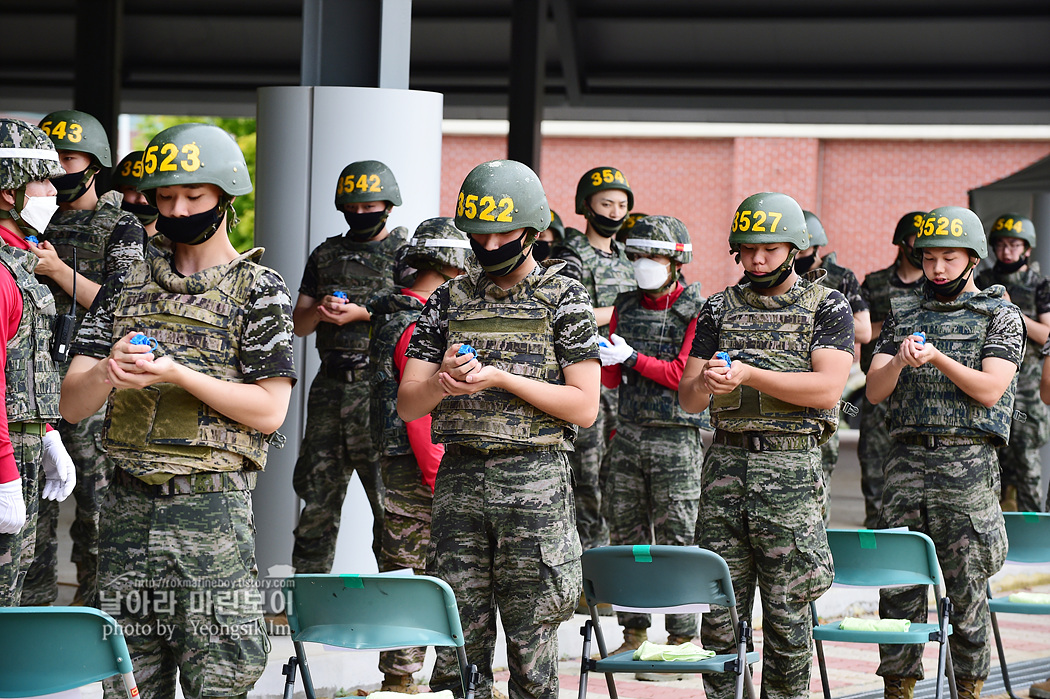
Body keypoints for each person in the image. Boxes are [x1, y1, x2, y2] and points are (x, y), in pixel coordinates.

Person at [60, 122, 296, 699]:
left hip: (210, 514)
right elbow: (71, 402)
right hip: (126, 512)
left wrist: (177, 373)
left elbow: (270, 411)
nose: (178, 207)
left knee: (220, 678)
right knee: (126, 679)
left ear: (225, 197)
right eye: (166, 197)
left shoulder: (258, 290)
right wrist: (106, 372)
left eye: (194, 196)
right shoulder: (125, 284)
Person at [398, 159, 600, 699]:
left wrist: (503, 379)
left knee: (533, 649)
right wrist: (444, 382)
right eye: (478, 235)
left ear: (532, 231)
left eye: (502, 233)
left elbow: (584, 406)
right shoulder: (448, 298)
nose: (489, 245)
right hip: (461, 478)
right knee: (457, 645)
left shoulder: (563, 297)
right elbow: (406, 404)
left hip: (533, 479)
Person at [679, 192, 853, 699]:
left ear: (795, 248)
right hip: (726, 468)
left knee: (787, 617)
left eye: (771, 250)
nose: (758, 260)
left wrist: (752, 373)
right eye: (749, 249)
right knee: (719, 616)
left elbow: (826, 389)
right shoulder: (717, 309)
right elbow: (689, 399)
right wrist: (708, 381)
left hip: (791, 469)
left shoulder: (828, 305)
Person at [866, 206, 1018, 699]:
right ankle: (898, 687)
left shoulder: (1000, 314)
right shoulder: (904, 311)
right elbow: (872, 391)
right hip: (906, 462)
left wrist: (938, 358)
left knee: (967, 586)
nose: (937, 269)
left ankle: (969, 687)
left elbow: (991, 389)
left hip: (967, 466)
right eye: (929, 258)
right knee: (899, 586)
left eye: (949, 259)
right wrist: (900, 366)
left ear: (972, 259)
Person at [22, 109, 147, 607]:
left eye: (67, 159)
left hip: (90, 385)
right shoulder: (27, 219)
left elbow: (125, 307)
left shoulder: (121, 228)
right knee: (30, 518)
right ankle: (27, 629)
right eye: (47, 161)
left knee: (98, 518)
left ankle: (93, 627)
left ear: (94, 164)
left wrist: (55, 270)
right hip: (30, 386)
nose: (57, 170)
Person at [366, 217, 470, 694]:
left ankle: (400, 678)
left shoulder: (392, 314)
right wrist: (435, 477)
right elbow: (421, 415)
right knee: (422, 575)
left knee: (402, 571)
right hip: (419, 470)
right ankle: (405, 679)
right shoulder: (420, 323)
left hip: (399, 464)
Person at [291, 159, 408, 573]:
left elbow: (418, 316)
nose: (361, 215)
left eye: (369, 206)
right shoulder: (327, 254)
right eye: (352, 208)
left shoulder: (406, 255)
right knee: (317, 500)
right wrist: (322, 312)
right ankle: (304, 605)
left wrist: (360, 314)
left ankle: (393, 614)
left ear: (389, 205)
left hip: (379, 391)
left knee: (390, 505)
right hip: (329, 388)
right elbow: (299, 324)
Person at [598, 215, 705, 666]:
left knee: (677, 537)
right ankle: (634, 631)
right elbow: (608, 375)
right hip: (628, 432)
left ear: (675, 261)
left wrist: (634, 358)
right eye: (638, 256)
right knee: (627, 536)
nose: (645, 264)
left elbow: (684, 374)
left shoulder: (695, 310)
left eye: (654, 257)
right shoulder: (624, 304)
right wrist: (601, 353)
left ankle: (682, 639)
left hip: (676, 437)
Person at [0, 118, 76, 606]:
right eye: (41, 180)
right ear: (8, 194)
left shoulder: (19, 260)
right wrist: (5, 471)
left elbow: (18, 366)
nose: (52, 191)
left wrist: (46, 429)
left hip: (23, 442)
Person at [550, 166, 636, 554]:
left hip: (628, 379)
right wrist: (623, 313)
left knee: (619, 477)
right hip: (589, 376)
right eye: (606, 203)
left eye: (621, 205)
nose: (615, 212)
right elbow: (572, 312)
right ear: (587, 206)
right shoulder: (571, 255)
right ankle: (591, 569)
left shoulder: (628, 256)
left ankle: (615, 561)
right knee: (586, 474)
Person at [794, 210, 871, 520]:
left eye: (803, 250)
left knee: (818, 480)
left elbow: (864, 330)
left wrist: (812, 319)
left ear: (817, 248)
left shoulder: (840, 277)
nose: (796, 257)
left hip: (821, 383)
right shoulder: (763, 273)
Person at [975, 213, 1050, 512]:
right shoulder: (982, 281)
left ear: (1027, 248)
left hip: (1028, 390)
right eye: (1002, 245)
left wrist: (1011, 310)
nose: (1007, 251)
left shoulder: (1040, 285)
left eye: (1014, 245)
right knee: (992, 464)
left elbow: (1047, 335)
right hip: (990, 382)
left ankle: (1035, 532)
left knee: (1027, 465)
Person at [857, 212, 926, 528]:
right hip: (880, 391)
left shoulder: (935, 285)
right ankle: (877, 537)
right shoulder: (875, 283)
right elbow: (858, 331)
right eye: (916, 241)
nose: (921, 248)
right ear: (902, 242)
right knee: (874, 473)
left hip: (920, 393)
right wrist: (892, 327)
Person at [111, 150, 159, 237]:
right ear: (118, 190)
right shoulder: (99, 230)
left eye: (149, 190)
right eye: (132, 189)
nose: (141, 200)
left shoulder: (175, 239)